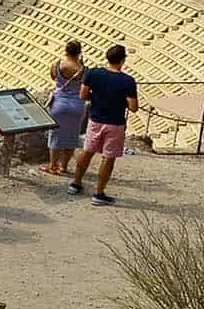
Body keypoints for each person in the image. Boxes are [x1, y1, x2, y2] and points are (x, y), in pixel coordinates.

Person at [72, 44, 139, 206]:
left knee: (87, 151)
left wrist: (98, 98)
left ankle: (76, 184)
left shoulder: (93, 73)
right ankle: (99, 193)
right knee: (108, 158)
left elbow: (83, 94)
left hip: (95, 120)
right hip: (115, 123)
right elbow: (133, 107)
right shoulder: (127, 81)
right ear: (123, 60)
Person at [43, 43, 88, 175]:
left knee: (55, 135)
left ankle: (52, 165)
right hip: (77, 105)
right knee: (72, 136)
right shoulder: (84, 69)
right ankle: (64, 166)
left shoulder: (57, 65)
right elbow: (86, 85)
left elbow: (53, 77)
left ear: (66, 51)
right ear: (79, 52)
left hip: (59, 104)